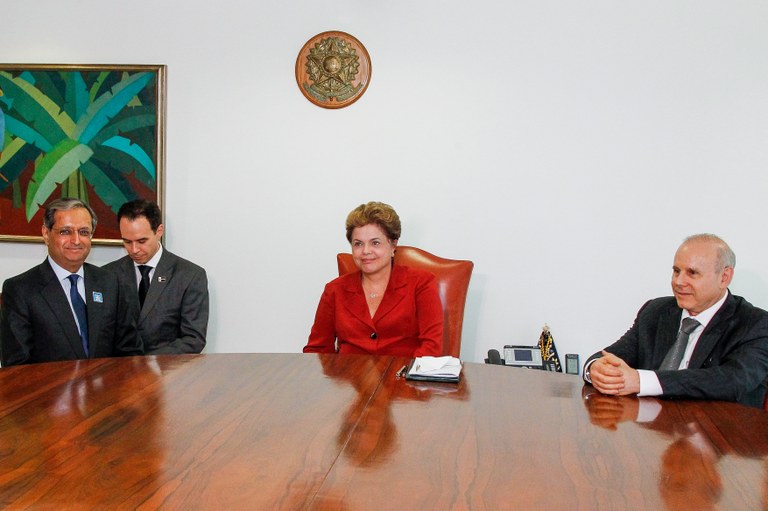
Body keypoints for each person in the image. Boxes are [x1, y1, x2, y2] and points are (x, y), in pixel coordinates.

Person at [584, 234, 768, 408]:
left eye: (692, 273)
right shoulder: (656, 310)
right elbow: (614, 355)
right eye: (676, 271)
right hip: (652, 425)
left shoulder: (755, 324)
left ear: (724, 277)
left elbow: (731, 381)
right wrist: (596, 368)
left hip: (718, 427)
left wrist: (641, 381)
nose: (679, 282)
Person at [0, 198, 142, 365]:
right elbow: (17, 366)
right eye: (65, 232)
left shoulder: (110, 283)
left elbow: (130, 351)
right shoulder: (20, 290)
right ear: (46, 234)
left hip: (107, 382)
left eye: (83, 232)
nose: (76, 240)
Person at [304, 201, 443, 357]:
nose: (366, 251)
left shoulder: (421, 283)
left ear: (393, 245)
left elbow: (431, 348)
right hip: (349, 372)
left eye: (375, 243)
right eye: (358, 244)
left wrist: (406, 372)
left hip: (405, 371)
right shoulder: (334, 290)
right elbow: (317, 350)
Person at [103, 199, 209, 354]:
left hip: (167, 367)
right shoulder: (108, 275)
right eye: (127, 242)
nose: (134, 249)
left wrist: (149, 363)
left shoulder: (189, 276)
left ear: (159, 231)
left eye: (141, 241)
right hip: (118, 367)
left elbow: (193, 339)